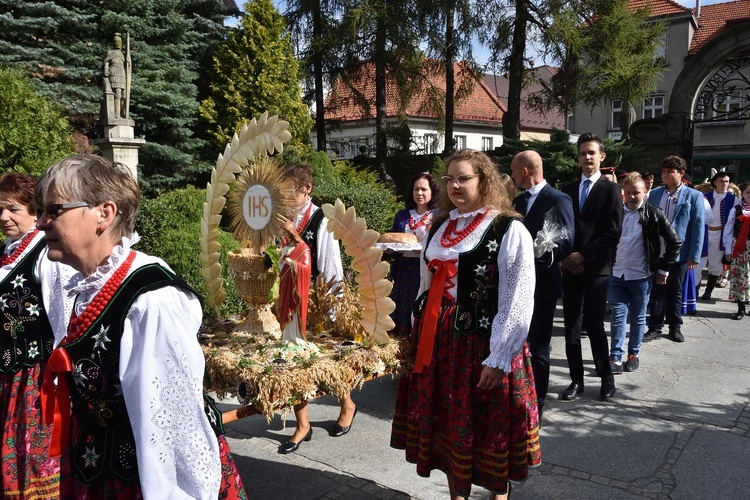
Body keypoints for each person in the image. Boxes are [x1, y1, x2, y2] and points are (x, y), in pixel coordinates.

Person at [35, 155, 246, 498]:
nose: (42, 222)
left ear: (104, 213)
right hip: (99, 467)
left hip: (142, 481)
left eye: (53, 210)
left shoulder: (151, 301)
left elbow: (170, 426)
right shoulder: (90, 285)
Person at [391, 149, 539, 500]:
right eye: (450, 179)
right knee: (447, 424)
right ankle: (457, 495)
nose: (454, 185)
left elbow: (517, 297)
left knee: (489, 424)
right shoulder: (441, 225)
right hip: (439, 341)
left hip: (482, 343)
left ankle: (498, 496)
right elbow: (427, 288)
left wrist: (500, 357)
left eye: (463, 178)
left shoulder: (508, 227)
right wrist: (414, 334)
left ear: (483, 180)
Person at [278, 163, 352, 454]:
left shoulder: (321, 220)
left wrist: (333, 308)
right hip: (290, 298)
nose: (283, 197)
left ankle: (347, 403)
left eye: (288, 191)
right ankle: (303, 424)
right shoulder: (283, 219)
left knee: (329, 360)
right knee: (295, 359)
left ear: (306, 189)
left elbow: (331, 266)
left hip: (318, 300)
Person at [0, 173, 65, 499]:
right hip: (7, 373)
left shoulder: (44, 254)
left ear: (32, 210)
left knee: (34, 453)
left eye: (12, 208)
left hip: (35, 373)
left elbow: (60, 316)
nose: (3, 217)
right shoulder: (5, 252)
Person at [511, 150, 574, 418]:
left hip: (542, 284)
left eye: (514, 171)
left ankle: (537, 400)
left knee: (538, 345)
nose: (512, 175)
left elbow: (567, 240)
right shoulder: (516, 201)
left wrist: (540, 253)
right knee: (515, 341)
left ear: (525, 171)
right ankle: (516, 392)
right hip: (514, 285)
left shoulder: (558, 199)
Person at [560, 133, 623, 401]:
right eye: (583, 153)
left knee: (595, 325)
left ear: (601, 157)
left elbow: (612, 232)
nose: (587, 157)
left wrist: (582, 256)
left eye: (592, 153)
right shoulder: (568, 189)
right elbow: (559, 228)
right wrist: (567, 257)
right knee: (571, 326)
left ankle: (606, 379)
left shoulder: (610, 190)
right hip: (570, 268)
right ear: (578, 157)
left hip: (596, 268)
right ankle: (576, 381)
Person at [608, 173, 681, 374]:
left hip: (641, 275)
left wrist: (664, 268)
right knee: (618, 315)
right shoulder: (615, 213)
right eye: (628, 193)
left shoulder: (654, 213)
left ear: (645, 192)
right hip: (616, 274)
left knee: (638, 316)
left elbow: (674, 242)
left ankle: (633, 354)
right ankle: (615, 356)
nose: (632, 196)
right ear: (623, 193)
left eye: (636, 193)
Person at [644, 156, 705, 343]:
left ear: (680, 173)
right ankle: (654, 327)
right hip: (657, 251)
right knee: (656, 291)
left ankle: (675, 326)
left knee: (675, 291)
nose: (665, 175)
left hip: (680, 252)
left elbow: (697, 225)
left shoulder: (693, 196)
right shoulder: (654, 194)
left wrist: (694, 255)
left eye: (670, 172)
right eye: (663, 171)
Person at [387, 172, 438, 336]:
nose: (419, 193)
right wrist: (389, 250)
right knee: (399, 303)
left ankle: (418, 341)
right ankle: (400, 341)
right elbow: (395, 239)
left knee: (419, 304)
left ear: (432, 192)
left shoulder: (438, 216)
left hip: (424, 269)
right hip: (402, 268)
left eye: (424, 189)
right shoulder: (402, 215)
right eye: (416, 189)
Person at [701, 171, 735, 299]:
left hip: (720, 233)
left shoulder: (733, 199)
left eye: (727, 181)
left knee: (715, 264)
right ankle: (695, 288)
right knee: (699, 261)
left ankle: (708, 291)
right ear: (715, 182)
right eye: (721, 181)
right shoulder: (705, 196)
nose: (724, 184)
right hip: (705, 232)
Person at [278, 221, 312, 345]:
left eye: (285, 233)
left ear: (291, 233)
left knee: (294, 307)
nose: (283, 235)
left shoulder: (303, 248)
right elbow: (281, 267)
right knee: (285, 307)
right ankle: (287, 336)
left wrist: (292, 263)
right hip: (286, 284)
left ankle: (297, 336)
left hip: (296, 286)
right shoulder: (286, 248)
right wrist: (282, 261)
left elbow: (306, 268)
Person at [723, 181, 750, 320]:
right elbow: (728, 230)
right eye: (748, 192)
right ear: (743, 194)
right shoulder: (736, 209)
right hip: (739, 248)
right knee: (739, 277)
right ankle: (741, 308)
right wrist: (728, 249)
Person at [103, 33, 127, 119]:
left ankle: (124, 113)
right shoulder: (110, 52)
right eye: (116, 42)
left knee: (124, 95)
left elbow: (126, 65)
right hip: (114, 72)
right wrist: (106, 68)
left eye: (119, 42)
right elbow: (106, 61)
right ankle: (117, 114)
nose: (118, 43)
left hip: (122, 73)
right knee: (117, 93)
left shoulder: (123, 54)